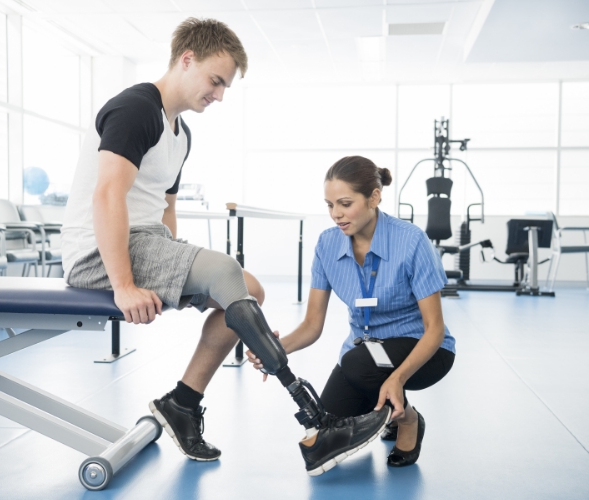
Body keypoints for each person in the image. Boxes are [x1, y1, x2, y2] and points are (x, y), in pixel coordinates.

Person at [61, 18, 390, 476]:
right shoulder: (136, 108)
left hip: (144, 242)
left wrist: (173, 266)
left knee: (248, 290)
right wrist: (123, 285)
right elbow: (107, 195)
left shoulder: (180, 132)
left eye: (225, 87)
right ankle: (314, 419)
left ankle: (182, 403)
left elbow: (165, 209)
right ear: (186, 58)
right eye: (216, 81)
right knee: (224, 269)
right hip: (98, 251)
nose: (218, 95)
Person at [248, 155, 456, 467]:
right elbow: (312, 324)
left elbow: (434, 329)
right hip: (365, 356)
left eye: (345, 203)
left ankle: (408, 419)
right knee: (325, 425)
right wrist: (273, 350)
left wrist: (397, 379)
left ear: (374, 197)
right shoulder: (328, 245)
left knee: (358, 362)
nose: (336, 214)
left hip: (423, 348)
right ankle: (385, 407)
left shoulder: (411, 241)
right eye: (330, 205)